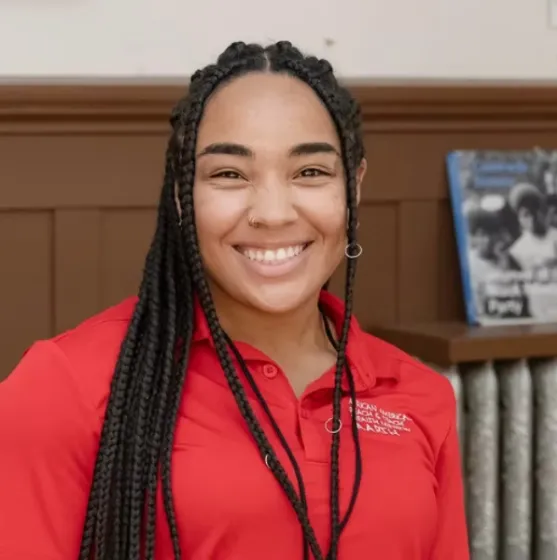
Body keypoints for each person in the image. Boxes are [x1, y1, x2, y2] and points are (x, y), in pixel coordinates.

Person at [0, 41, 468, 560]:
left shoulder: (420, 394)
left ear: (353, 188)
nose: (272, 213)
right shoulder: (64, 386)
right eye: (229, 174)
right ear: (182, 194)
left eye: (310, 172)